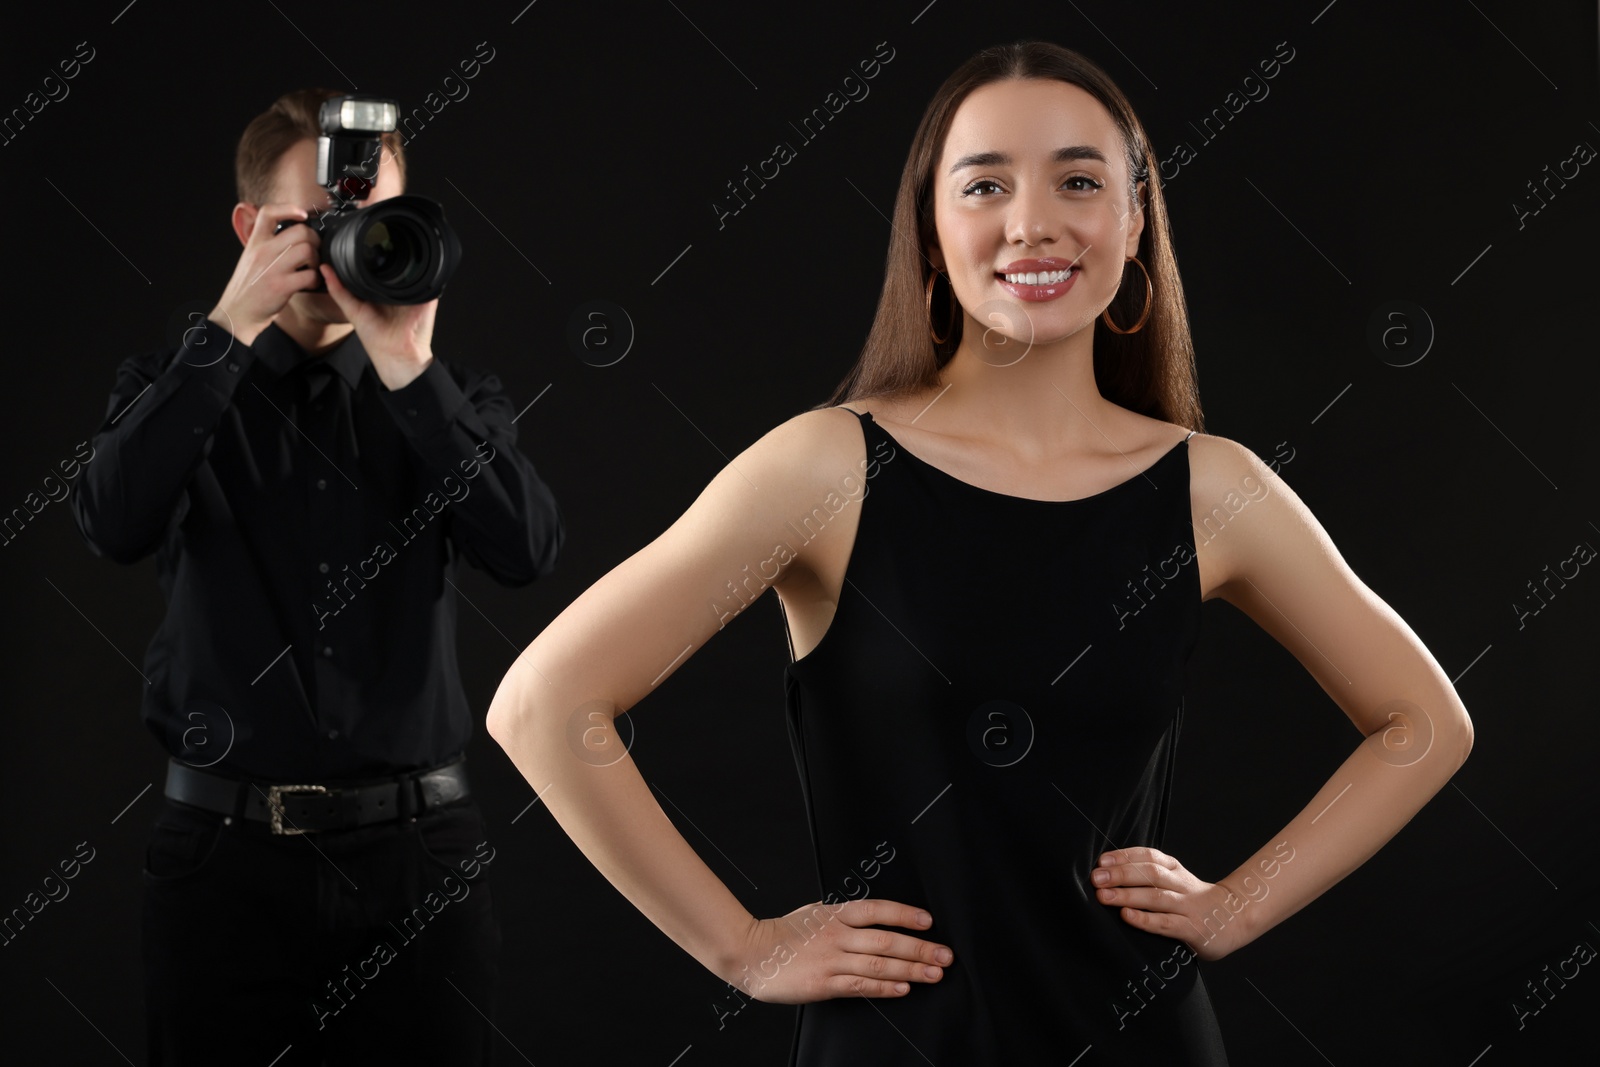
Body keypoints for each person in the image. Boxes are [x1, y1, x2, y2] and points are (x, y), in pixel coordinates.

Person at [485, 41, 1472, 1065]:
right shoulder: (825, 469)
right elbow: (544, 705)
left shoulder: (1212, 489)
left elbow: (1423, 722)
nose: (1032, 221)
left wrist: (1236, 906)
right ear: (928, 228)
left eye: (1078, 180)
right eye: (985, 183)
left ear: (1133, 221)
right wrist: (741, 946)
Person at [70, 87, 564, 1065]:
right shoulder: (170, 383)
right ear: (250, 228)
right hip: (221, 861)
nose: (338, 249)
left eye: (366, 224)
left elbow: (528, 550)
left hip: (418, 860)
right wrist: (225, 328)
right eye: (309, 225)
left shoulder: (452, 394)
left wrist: (408, 367)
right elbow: (110, 521)